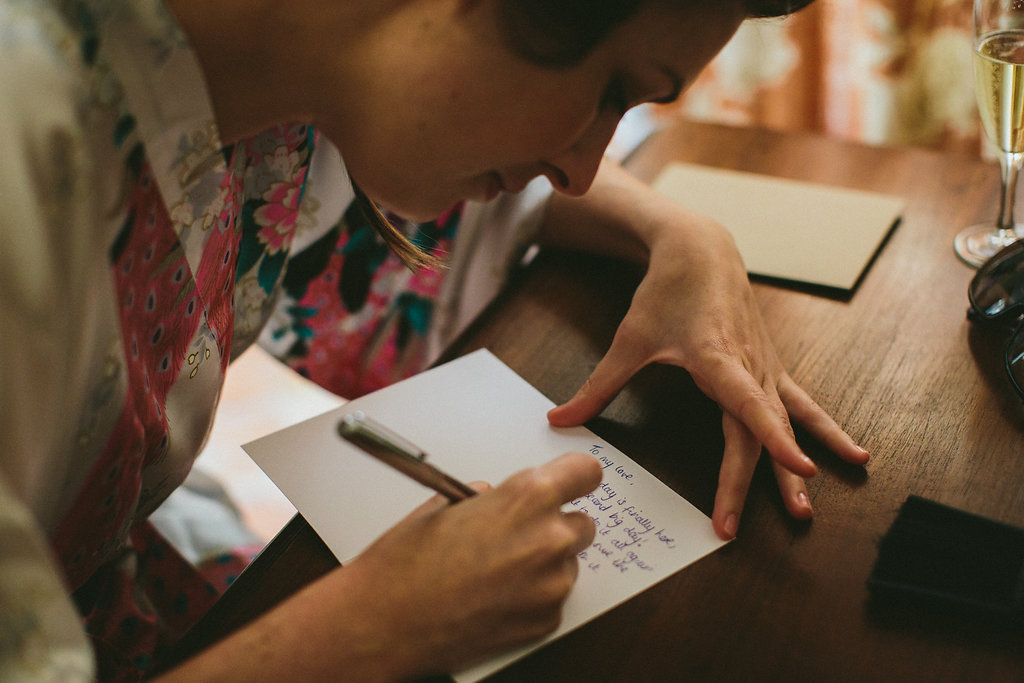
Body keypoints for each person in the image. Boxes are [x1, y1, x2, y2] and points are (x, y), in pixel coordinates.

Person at [0, 0, 871, 680]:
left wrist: (681, 234)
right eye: (611, 89)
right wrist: (376, 627)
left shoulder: (271, 96)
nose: (581, 170)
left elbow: (434, 203)